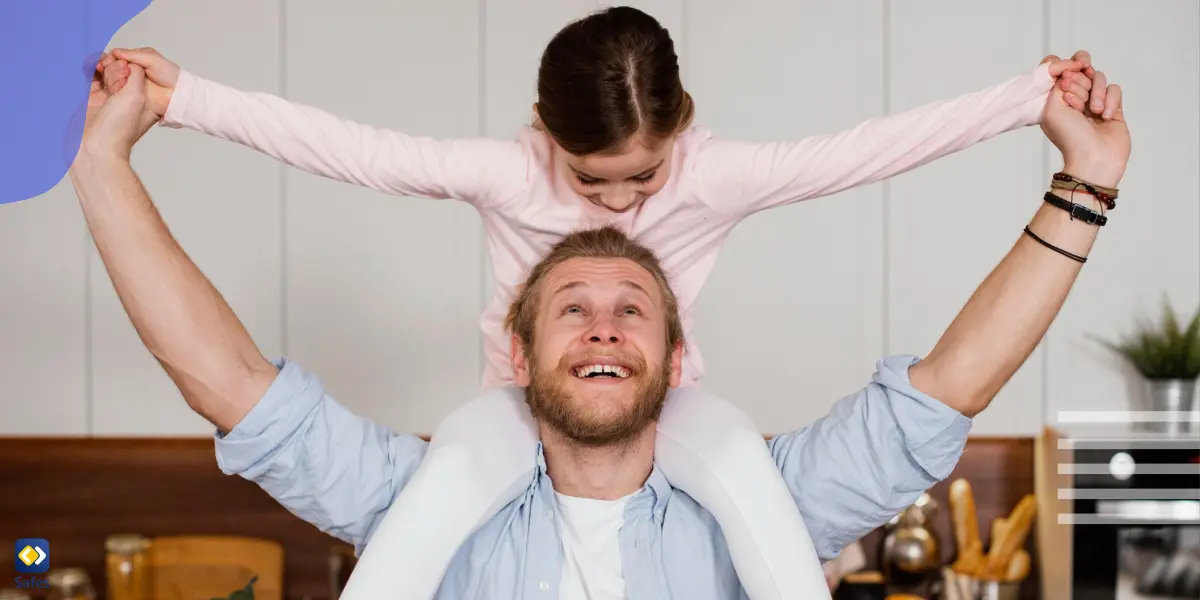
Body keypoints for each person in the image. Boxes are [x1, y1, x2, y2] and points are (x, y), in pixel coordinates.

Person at [92, 6, 1106, 596]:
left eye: (634, 306)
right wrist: (162, 116)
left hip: (704, 442)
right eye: (572, 306)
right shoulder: (438, 494)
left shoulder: (755, 492)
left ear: (675, 350)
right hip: (486, 442)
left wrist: (1049, 127)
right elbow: (237, 360)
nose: (607, 314)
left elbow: (940, 362)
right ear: (519, 344)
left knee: (751, 477)